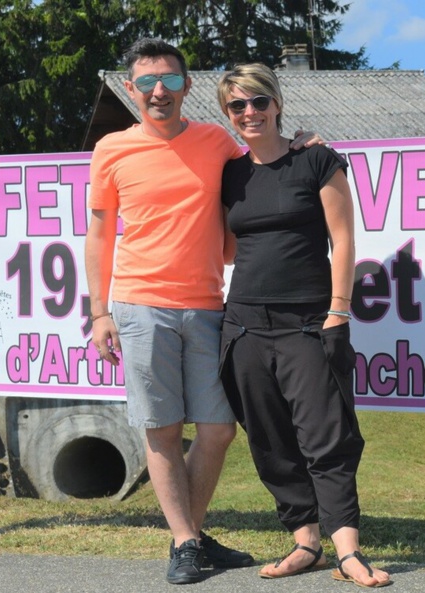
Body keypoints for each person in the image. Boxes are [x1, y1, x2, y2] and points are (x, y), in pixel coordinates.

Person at [84, 38, 318, 586]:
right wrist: (99, 312)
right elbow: (98, 235)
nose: (158, 91)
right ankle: (188, 542)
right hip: (141, 306)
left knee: (218, 430)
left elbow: (264, 162)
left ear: (187, 86)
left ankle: (186, 536)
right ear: (130, 88)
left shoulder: (217, 141)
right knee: (163, 429)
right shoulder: (111, 149)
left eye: (169, 80)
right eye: (146, 82)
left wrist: (300, 144)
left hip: (210, 306)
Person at [216, 63, 392, 588]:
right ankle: (306, 543)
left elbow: (344, 239)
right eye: (237, 105)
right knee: (269, 439)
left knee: (327, 436)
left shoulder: (317, 159)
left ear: (277, 103)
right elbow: (229, 249)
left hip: (308, 322)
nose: (250, 112)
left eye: (259, 101)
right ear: (227, 113)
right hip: (244, 326)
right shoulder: (230, 173)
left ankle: (348, 552)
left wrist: (339, 310)